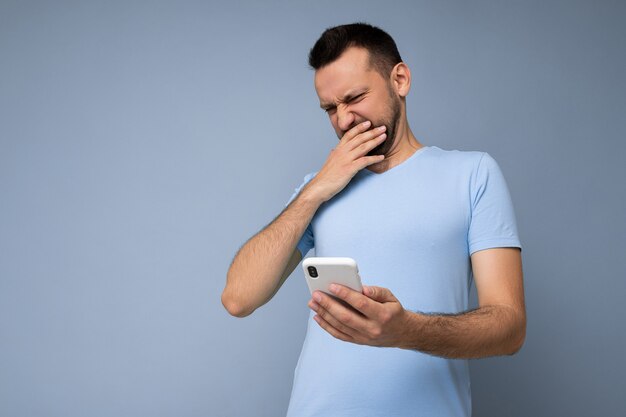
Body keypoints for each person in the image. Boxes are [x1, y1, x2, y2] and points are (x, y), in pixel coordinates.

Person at [222, 22, 526, 417]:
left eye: (355, 97)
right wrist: (314, 190)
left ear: (399, 79)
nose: (344, 119)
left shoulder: (473, 174)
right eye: (330, 108)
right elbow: (238, 298)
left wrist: (405, 331)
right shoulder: (320, 189)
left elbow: (509, 326)